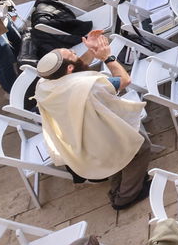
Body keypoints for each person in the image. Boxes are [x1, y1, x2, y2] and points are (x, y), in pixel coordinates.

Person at [33, 35, 152, 208]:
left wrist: (91, 51)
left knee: (115, 160)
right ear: (70, 68)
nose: (75, 52)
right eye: (72, 53)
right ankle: (125, 197)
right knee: (139, 148)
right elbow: (124, 80)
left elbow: (74, 66)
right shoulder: (88, 87)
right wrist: (107, 57)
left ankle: (117, 190)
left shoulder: (44, 84)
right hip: (105, 130)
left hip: (85, 137)